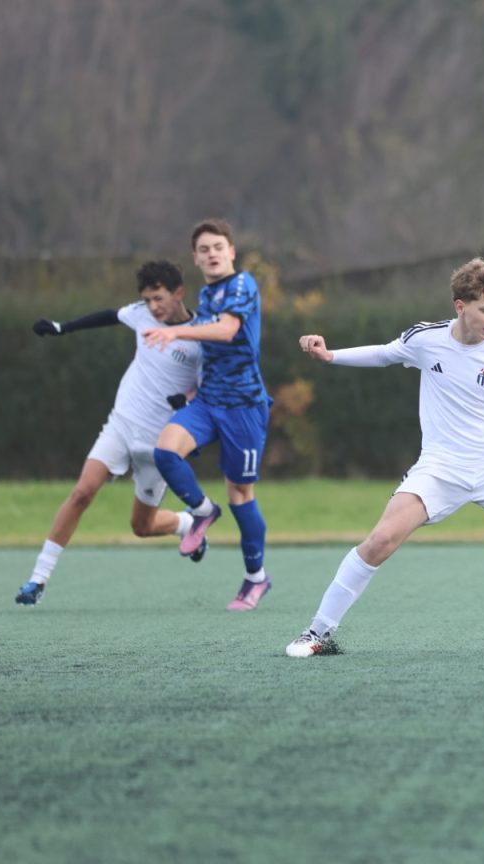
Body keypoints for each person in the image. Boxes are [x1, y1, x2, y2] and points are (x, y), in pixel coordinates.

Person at [284, 258, 484, 657]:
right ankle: (317, 633)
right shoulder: (426, 339)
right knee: (381, 540)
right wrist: (330, 356)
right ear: (460, 306)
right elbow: (384, 354)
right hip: (441, 467)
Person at [15, 261, 205, 605]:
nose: (153, 307)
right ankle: (37, 580)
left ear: (178, 293)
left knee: (141, 527)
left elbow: (207, 392)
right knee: (82, 493)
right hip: (121, 425)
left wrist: (187, 403)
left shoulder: (200, 337)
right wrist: (62, 327)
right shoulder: (142, 316)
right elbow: (110, 316)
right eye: (147, 300)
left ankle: (186, 524)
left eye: (159, 298)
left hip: (159, 444)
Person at [141, 219, 274, 610]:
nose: (212, 254)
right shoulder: (206, 293)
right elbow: (204, 342)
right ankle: (202, 511)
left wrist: (175, 332)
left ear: (231, 252)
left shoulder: (242, 284)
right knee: (165, 452)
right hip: (208, 400)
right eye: (204, 249)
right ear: (195, 259)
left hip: (244, 407)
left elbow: (227, 330)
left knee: (240, 495)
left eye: (218, 247)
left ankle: (256, 578)